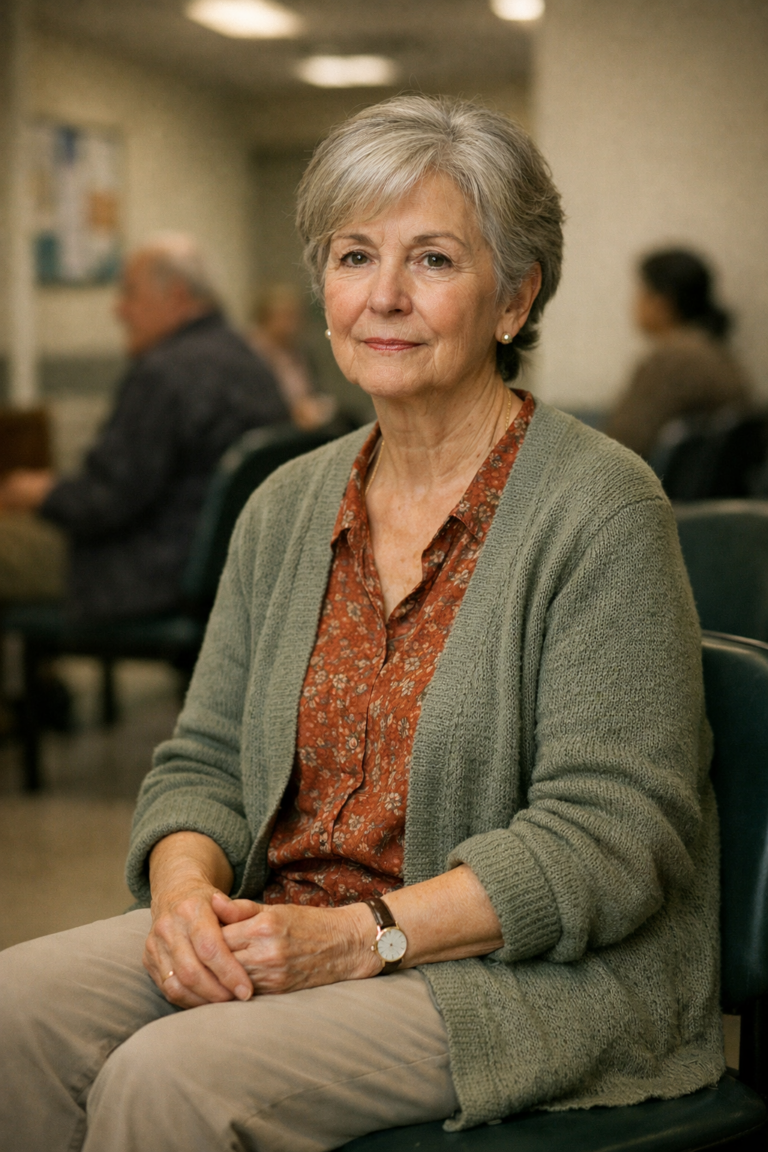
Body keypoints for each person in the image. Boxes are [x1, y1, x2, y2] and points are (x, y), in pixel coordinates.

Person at [0, 96, 723, 1151]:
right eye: (352, 257)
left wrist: (354, 940)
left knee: (168, 1082)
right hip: (281, 919)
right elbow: (199, 759)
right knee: (12, 1009)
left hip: (508, 974)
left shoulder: (601, 508)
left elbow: (612, 841)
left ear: (514, 297)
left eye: (432, 259)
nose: (383, 297)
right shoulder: (287, 504)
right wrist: (185, 898)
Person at [0, 234, 287, 620]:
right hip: (229, 571)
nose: (119, 310)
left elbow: (106, 500)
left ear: (177, 296)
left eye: (130, 293)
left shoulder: (164, 372)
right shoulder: (251, 360)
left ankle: (32, 680)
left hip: (147, 573)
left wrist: (42, 493)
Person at [605, 247, 752, 457]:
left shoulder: (673, 359)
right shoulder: (712, 350)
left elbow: (623, 441)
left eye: (641, 293)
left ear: (661, 303)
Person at [248, 282, 337, 429]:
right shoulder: (252, 355)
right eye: (286, 316)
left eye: (296, 316)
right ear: (266, 317)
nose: (293, 323)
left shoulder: (296, 351)